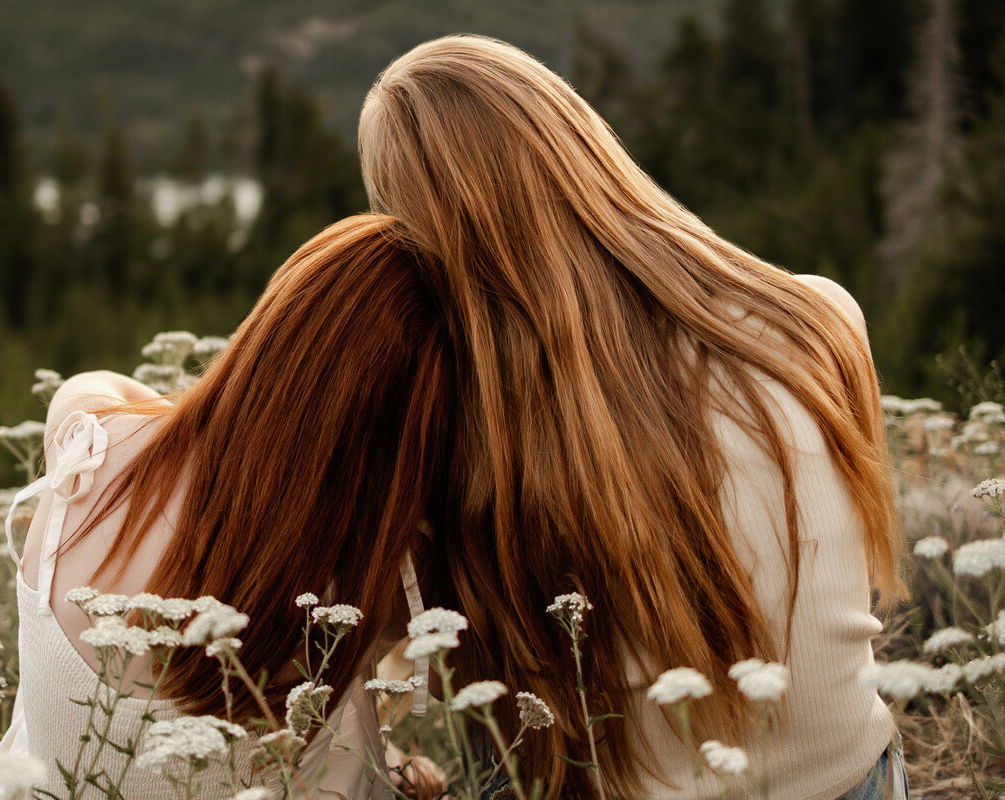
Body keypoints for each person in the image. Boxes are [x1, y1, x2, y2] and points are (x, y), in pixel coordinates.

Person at [358, 35, 906, 799]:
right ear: (581, 144)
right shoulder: (817, 316)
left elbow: (350, 645)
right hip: (853, 780)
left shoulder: (455, 416)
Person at [0, 214, 451, 799]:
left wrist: (241, 428)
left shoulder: (87, 447)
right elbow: (458, 675)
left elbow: (116, 392)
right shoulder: (374, 579)